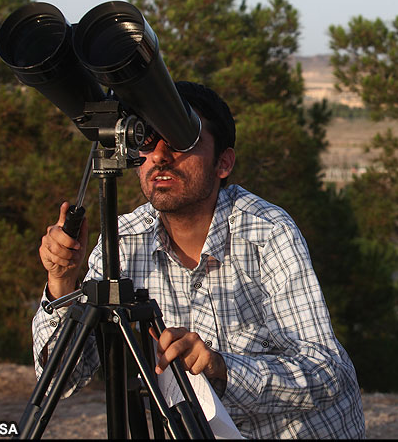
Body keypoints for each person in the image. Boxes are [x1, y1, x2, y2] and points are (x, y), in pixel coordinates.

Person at [34, 81, 366, 439]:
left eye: (179, 141)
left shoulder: (266, 231)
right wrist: (62, 283)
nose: (160, 157)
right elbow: (63, 381)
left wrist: (221, 368)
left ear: (223, 163)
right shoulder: (123, 242)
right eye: (147, 140)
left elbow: (327, 372)